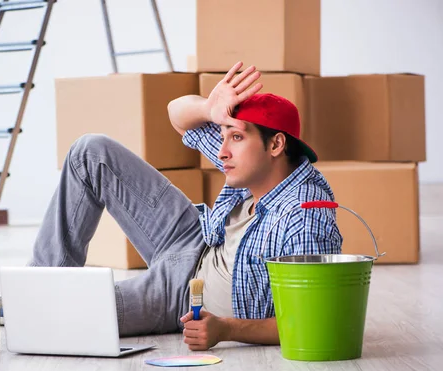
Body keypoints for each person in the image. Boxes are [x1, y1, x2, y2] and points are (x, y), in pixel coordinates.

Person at [28, 61, 342, 351]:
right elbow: (177, 115)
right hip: (194, 236)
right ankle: (34, 287)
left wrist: (225, 329)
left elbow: (310, 321)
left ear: (276, 145)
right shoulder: (256, 166)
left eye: (235, 137)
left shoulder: (304, 216)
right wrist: (209, 108)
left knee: (65, 312)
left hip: (185, 292)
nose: (221, 152)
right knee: (90, 152)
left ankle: (36, 304)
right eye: (223, 136)